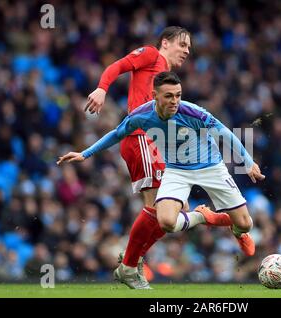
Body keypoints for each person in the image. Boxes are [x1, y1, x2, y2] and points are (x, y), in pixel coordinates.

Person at [58, 72, 265, 286]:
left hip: (211, 167)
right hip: (176, 170)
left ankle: (238, 232)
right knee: (166, 222)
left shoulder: (193, 112)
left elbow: (225, 133)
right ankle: (202, 216)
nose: (175, 101)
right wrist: (85, 153)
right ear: (155, 95)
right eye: (169, 96)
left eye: (178, 95)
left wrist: (248, 162)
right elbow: (117, 133)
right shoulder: (142, 115)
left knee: (245, 224)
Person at [83, 26, 199, 288]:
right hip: (139, 138)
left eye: (189, 47)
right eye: (183, 44)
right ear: (165, 43)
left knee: (179, 209)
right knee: (158, 208)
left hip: (155, 143)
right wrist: (102, 89)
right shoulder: (149, 55)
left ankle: (131, 260)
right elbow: (118, 66)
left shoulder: (167, 79)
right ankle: (130, 264)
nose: (187, 51)